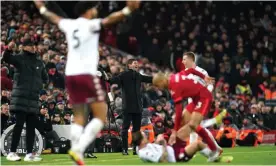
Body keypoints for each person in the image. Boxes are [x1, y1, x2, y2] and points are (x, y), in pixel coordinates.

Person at [33, 1, 141, 165]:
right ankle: (78, 148)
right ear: (88, 11)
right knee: (101, 112)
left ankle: (76, 147)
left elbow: (52, 17)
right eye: (94, 8)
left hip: (71, 75)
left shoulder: (69, 24)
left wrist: (40, 7)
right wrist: (127, 10)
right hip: (86, 74)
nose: (96, 11)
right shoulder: (90, 25)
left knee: (79, 114)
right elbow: (111, 19)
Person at [152, 69, 221, 161]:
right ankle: (178, 149)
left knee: (193, 124)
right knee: (182, 122)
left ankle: (214, 149)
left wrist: (175, 131)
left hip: (203, 97)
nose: (158, 88)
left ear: (161, 81)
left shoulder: (173, 88)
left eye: (157, 86)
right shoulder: (174, 76)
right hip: (196, 98)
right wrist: (204, 77)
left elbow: (179, 110)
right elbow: (190, 70)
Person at [2, 40, 48, 162]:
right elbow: (6, 58)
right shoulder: (19, 58)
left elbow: (45, 78)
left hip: (33, 98)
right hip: (20, 97)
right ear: (25, 47)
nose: (33, 47)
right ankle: (12, 152)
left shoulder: (39, 62)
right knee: (19, 125)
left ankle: (29, 154)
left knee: (31, 127)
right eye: (30, 45)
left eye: (34, 45)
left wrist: (41, 83)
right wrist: (8, 49)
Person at [178, 52, 225, 152]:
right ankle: (216, 148)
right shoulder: (185, 72)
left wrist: (206, 92)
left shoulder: (202, 71)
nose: (182, 61)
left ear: (191, 60)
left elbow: (211, 84)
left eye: (184, 59)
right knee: (196, 127)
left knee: (194, 126)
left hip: (201, 102)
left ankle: (192, 149)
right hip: (191, 103)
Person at [109, 59, 153, 155]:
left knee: (136, 130)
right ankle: (124, 149)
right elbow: (114, 80)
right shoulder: (124, 74)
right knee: (125, 128)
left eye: (137, 63)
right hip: (127, 106)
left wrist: (161, 79)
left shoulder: (138, 75)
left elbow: (149, 79)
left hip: (138, 107)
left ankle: (135, 149)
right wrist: (106, 77)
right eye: (135, 63)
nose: (137, 64)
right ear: (129, 65)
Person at [132, 131, 233, 163]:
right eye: (144, 136)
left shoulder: (141, 147)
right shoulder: (143, 153)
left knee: (190, 128)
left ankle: (213, 156)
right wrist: (163, 143)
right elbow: (163, 160)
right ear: (141, 141)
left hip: (173, 148)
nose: (147, 136)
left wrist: (161, 142)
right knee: (197, 144)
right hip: (176, 156)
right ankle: (215, 158)